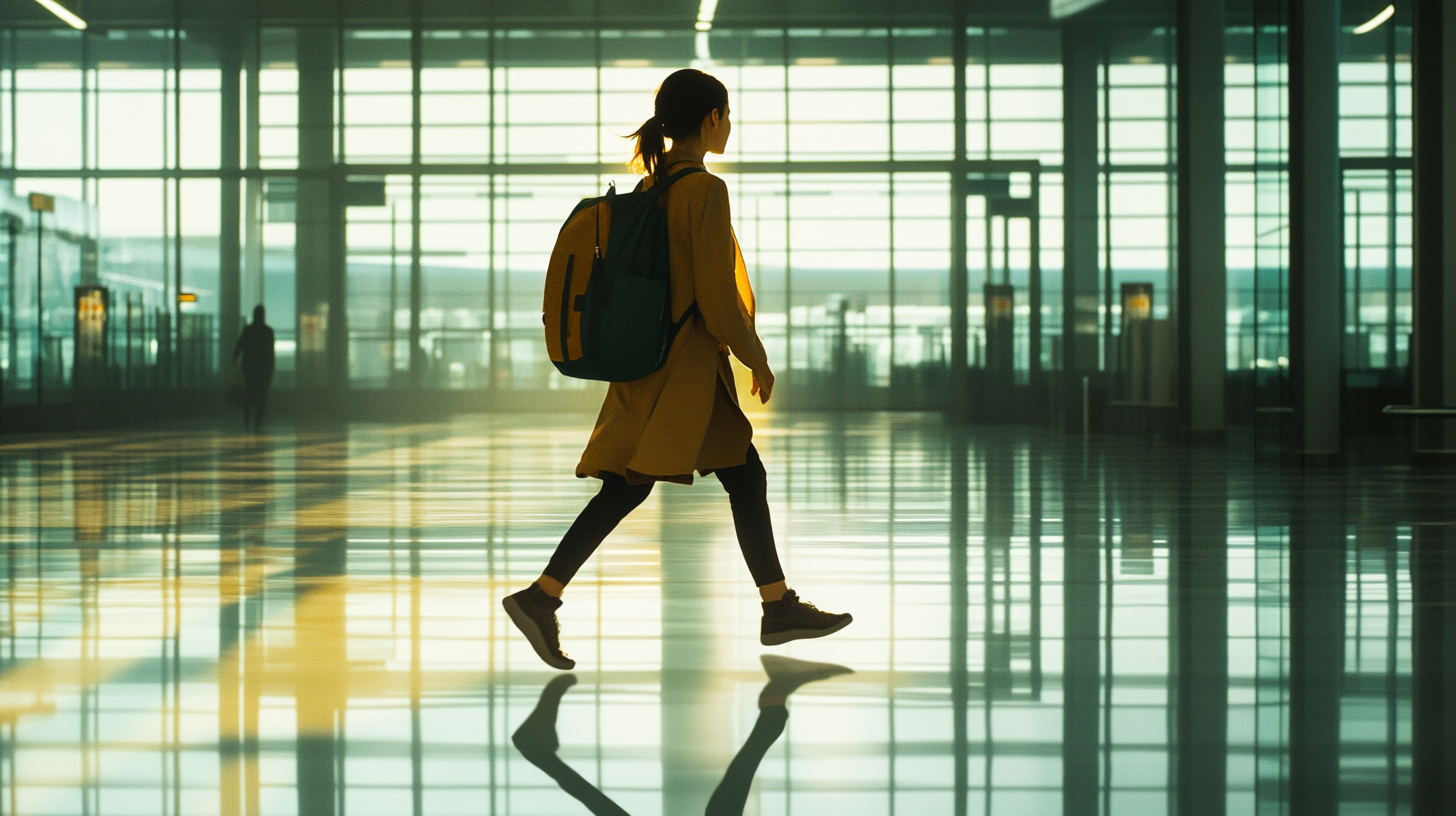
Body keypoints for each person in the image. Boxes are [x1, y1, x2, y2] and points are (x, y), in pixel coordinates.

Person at [503, 68, 852, 671]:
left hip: (650, 361)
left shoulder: (651, 190)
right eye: (728, 114)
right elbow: (716, 299)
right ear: (712, 118)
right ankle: (543, 596)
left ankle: (774, 605)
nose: (731, 125)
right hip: (686, 372)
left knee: (708, 479)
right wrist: (757, 358)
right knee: (661, 482)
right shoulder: (703, 191)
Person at [232, 305, 275, 432]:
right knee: (261, 395)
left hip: (250, 367)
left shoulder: (248, 330)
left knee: (250, 392)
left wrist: (235, 358)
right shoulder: (268, 331)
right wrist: (271, 368)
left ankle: (247, 415)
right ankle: (258, 419)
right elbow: (270, 353)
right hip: (263, 368)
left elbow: (240, 345)